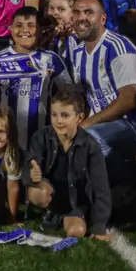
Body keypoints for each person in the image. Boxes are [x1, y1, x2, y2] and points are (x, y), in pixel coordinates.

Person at [69, 0, 136, 187]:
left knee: (90, 139)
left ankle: (131, 187)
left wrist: (87, 124)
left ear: (102, 19)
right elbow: (81, 97)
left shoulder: (118, 47)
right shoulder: (76, 52)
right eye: (76, 12)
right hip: (103, 125)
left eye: (88, 12)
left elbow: (128, 99)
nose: (81, 17)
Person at [25, 85, 111, 240]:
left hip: (74, 203)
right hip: (47, 192)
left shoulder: (90, 145)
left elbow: (101, 188)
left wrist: (100, 227)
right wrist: (31, 173)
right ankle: (46, 211)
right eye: (54, 115)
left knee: (77, 231)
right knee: (41, 193)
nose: (58, 121)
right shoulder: (41, 137)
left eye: (65, 115)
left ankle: (58, 218)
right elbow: (27, 169)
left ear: (80, 118)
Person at [0, 7, 70, 150]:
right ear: (10, 29)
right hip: (5, 138)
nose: (24, 30)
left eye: (31, 26)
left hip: (40, 137)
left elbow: (69, 94)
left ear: (41, 30)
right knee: (9, 171)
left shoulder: (50, 59)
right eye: (19, 26)